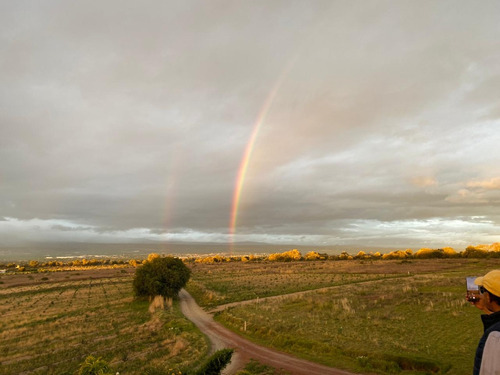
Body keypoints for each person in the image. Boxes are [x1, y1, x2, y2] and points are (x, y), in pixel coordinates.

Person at [471, 270, 500, 375]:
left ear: (488, 297)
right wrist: (485, 308)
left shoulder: (495, 336)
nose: (482, 295)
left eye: (483, 291)